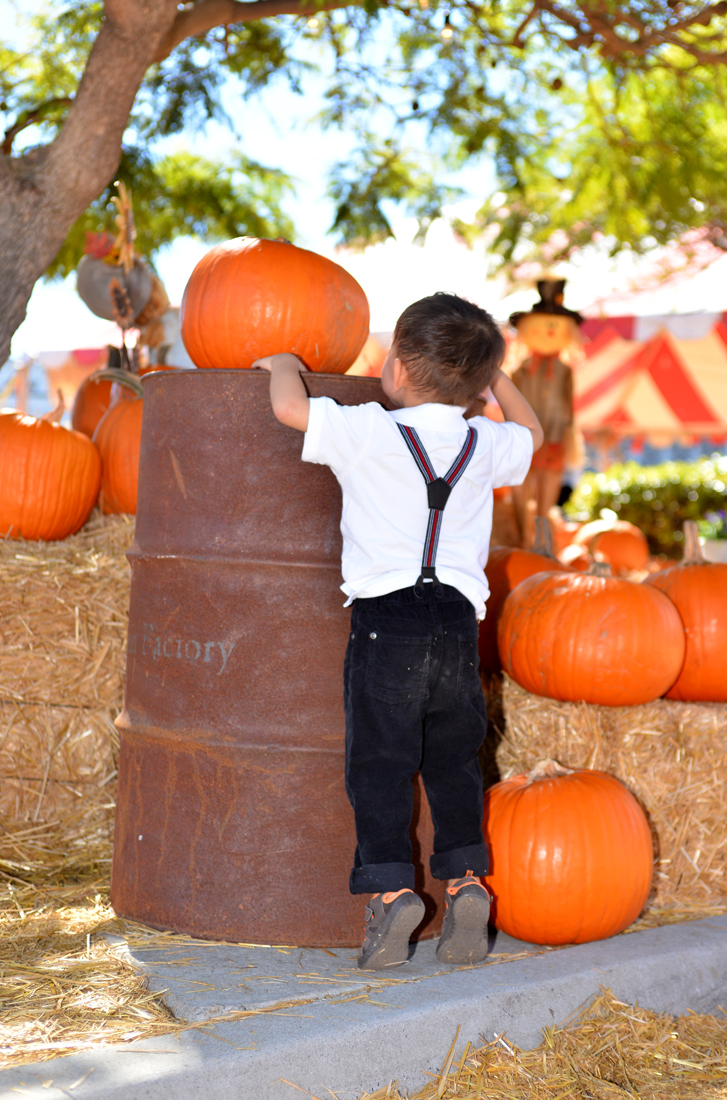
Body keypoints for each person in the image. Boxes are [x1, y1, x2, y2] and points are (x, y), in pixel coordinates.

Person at [254, 293, 543, 970]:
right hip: (454, 624)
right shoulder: (483, 441)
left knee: (379, 766)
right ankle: (466, 880)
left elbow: (290, 409)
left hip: (386, 622)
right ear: (475, 383)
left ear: (398, 367)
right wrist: (493, 381)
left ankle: (390, 893)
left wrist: (281, 363)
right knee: (451, 761)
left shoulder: (370, 431)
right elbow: (530, 433)